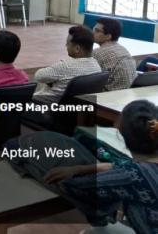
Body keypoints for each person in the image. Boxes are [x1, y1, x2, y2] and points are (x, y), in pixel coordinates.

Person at [42, 100, 158, 234]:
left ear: (120, 134)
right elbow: (119, 166)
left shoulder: (132, 174)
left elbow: (74, 186)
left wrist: (68, 173)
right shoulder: (138, 169)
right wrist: (79, 169)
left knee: (93, 231)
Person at [33, 25, 102, 104]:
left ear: (77, 49)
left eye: (68, 43)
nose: (66, 46)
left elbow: (38, 76)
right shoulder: (97, 66)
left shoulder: (66, 66)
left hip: (45, 105)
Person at [92, 17, 136, 90]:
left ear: (108, 36)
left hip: (109, 94)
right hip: (129, 92)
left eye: (97, 31)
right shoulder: (123, 49)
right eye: (93, 29)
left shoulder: (97, 53)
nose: (92, 32)